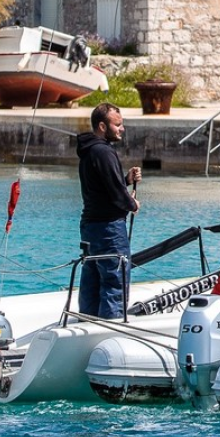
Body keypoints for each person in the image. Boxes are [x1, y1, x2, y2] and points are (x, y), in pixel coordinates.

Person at [77, 102, 141, 319]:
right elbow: (115, 194)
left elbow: (103, 188)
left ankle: (87, 323)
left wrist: (126, 181)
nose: (121, 129)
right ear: (103, 127)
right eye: (117, 125)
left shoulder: (88, 151)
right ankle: (111, 329)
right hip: (109, 229)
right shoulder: (104, 152)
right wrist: (132, 204)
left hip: (90, 226)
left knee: (92, 280)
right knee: (115, 281)